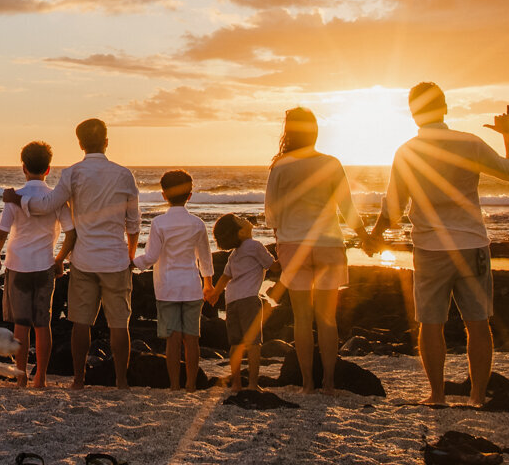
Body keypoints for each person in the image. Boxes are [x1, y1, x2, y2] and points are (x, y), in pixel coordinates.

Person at [369, 83, 509, 407]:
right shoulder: (470, 143)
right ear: (445, 108)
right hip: (472, 244)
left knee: (431, 324)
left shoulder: (408, 151)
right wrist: (508, 134)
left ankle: (437, 396)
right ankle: (478, 398)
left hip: (430, 249)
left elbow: (394, 206)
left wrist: (375, 234)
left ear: (413, 113)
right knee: (478, 324)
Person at [4, 118, 140, 390]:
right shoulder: (124, 175)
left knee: (81, 322)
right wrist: (130, 254)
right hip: (115, 258)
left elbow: (48, 205)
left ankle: (79, 380)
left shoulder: (72, 174)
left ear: (80, 143)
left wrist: (17, 199)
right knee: (119, 323)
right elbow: (133, 223)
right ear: (106, 141)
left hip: (84, 258)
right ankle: (122, 382)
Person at [263, 106, 371, 395]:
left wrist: (280, 241)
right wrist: (364, 237)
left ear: (289, 132)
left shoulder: (280, 166)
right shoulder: (331, 163)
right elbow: (347, 207)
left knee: (301, 317)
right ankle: (330, 383)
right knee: (326, 318)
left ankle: (308, 384)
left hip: (293, 246)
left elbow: (271, 213)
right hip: (328, 244)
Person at [0, 140, 74, 388]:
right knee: (42, 323)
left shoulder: (15, 197)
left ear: (23, 167)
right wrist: (60, 259)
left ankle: (21, 377)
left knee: (21, 326)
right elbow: (71, 233)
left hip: (17, 264)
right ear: (48, 169)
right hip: (45, 264)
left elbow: (2, 233)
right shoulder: (55, 198)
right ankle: (41, 378)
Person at [132, 170, 212, 391]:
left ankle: (175, 385)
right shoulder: (197, 224)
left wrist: (132, 263)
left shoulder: (159, 223)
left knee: (173, 340)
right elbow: (205, 258)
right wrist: (209, 285)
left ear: (163, 195)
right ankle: (191, 385)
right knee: (192, 339)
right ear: (190, 196)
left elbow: (151, 257)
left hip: (167, 287)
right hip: (192, 286)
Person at [205, 213, 277, 392]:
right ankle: (253, 384)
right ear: (241, 233)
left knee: (236, 344)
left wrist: (215, 294)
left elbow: (224, 277)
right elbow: (273, 266)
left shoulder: (234, 255)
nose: (244, 218)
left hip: (232, 302)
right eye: (239, 219)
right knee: (253, 343)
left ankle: (236, 384)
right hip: (249, 300)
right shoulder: (254, 246)